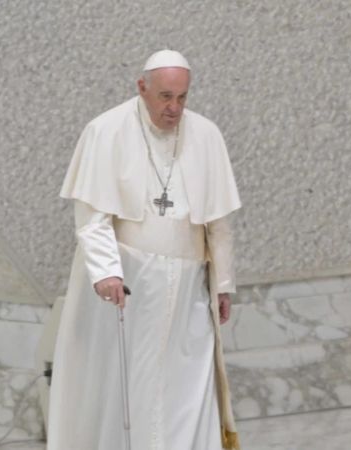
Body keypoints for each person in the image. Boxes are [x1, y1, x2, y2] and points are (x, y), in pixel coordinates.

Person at [49, 49, 241, 449]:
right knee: (128, 384)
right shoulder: (107, 131)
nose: (174, 108)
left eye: (182, 98)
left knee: (187, 383)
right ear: (142, 87)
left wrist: (222, 284)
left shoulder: (205, 134)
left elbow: (218, 223)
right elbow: (93, 216)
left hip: (189, 286)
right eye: (165, 97)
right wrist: (106, 272)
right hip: (131, 285)